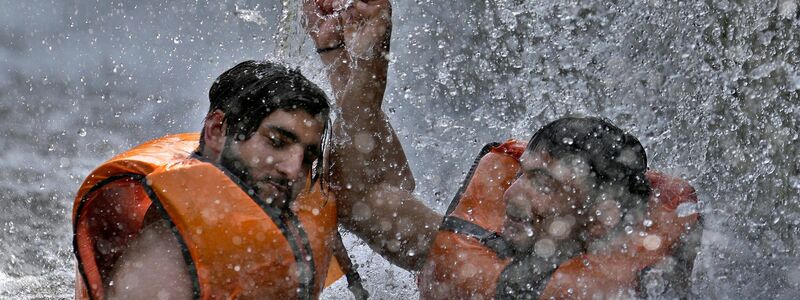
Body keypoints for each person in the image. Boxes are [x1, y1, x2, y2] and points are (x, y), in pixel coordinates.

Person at [303, 1, 701, 298]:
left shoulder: (626, 285)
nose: (512, 195)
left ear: (602, 216)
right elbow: (359, 196)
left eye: (545, 184)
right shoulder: (479, 247)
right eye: (524, 173)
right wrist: (354, 61)